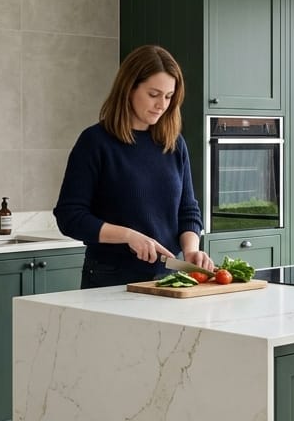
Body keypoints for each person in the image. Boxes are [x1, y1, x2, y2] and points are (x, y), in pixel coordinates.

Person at [54, 45, 216, 289]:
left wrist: (191, 250)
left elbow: (188, 210)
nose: (162, 104)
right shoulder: (95, 142)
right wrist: (128, 236)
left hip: (169, 278)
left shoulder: (173, 143)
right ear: (129, 88)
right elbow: (70, 217)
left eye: (169, 96)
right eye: (154, 94)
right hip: (109, 279)